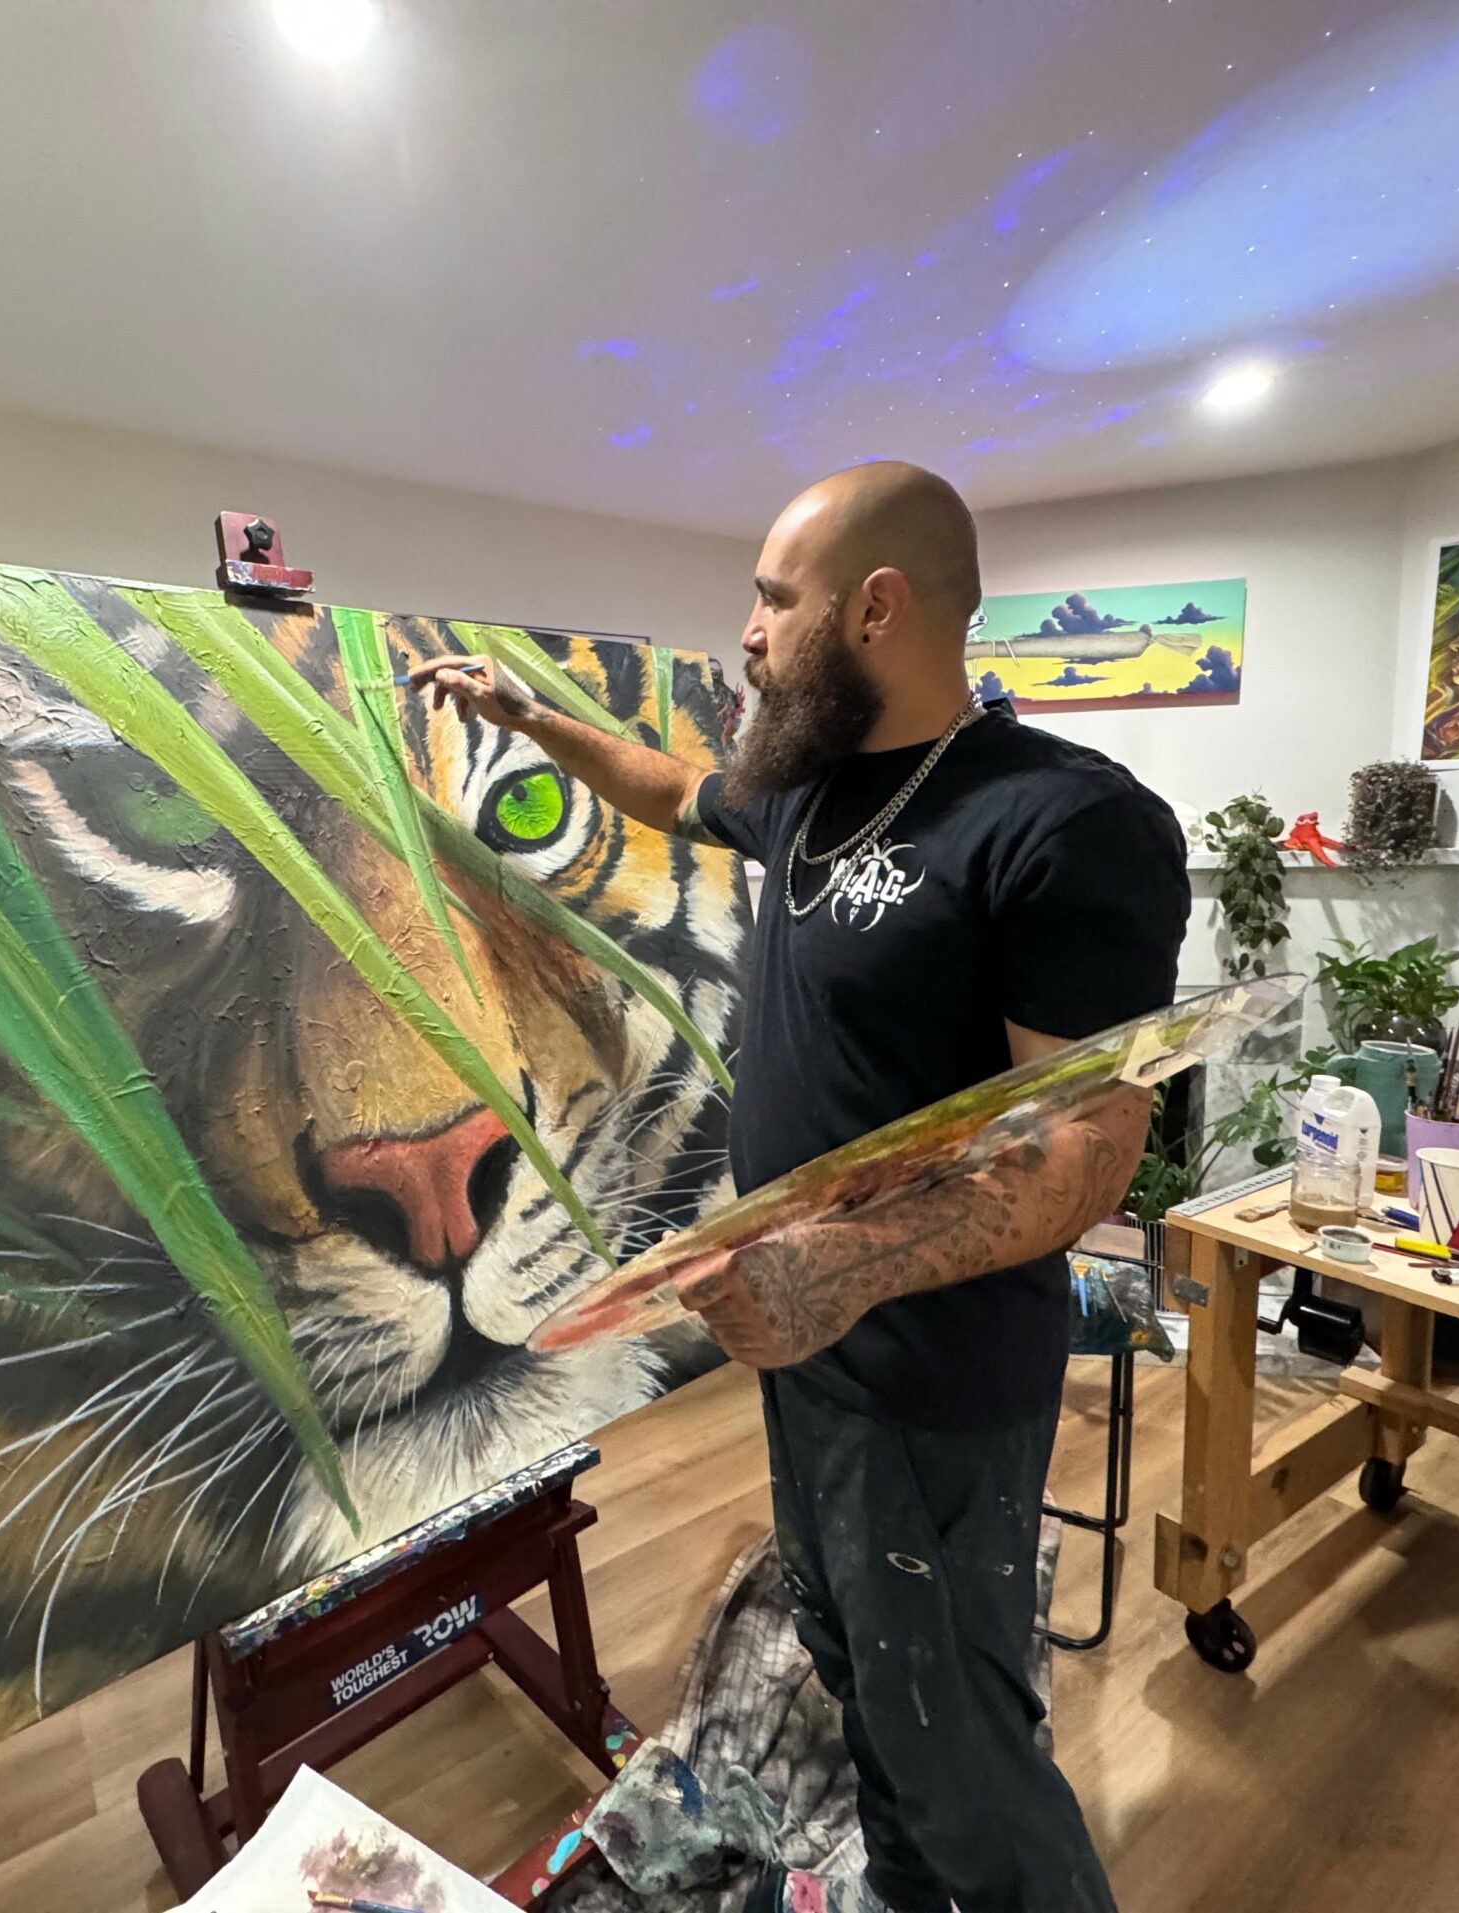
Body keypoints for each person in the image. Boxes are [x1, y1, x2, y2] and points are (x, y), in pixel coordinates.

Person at [410, 460, 1188, 1913]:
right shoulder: (807, 790)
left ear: (875, 608)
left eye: (774, 598)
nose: (750, 631)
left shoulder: (1062, 823)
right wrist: (530, 719)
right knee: (853, 1662)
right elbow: (669, 789)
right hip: (805, 1353)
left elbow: (1086, 1149)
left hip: (933, 1376)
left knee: (958, 1742)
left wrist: (841, 1268)